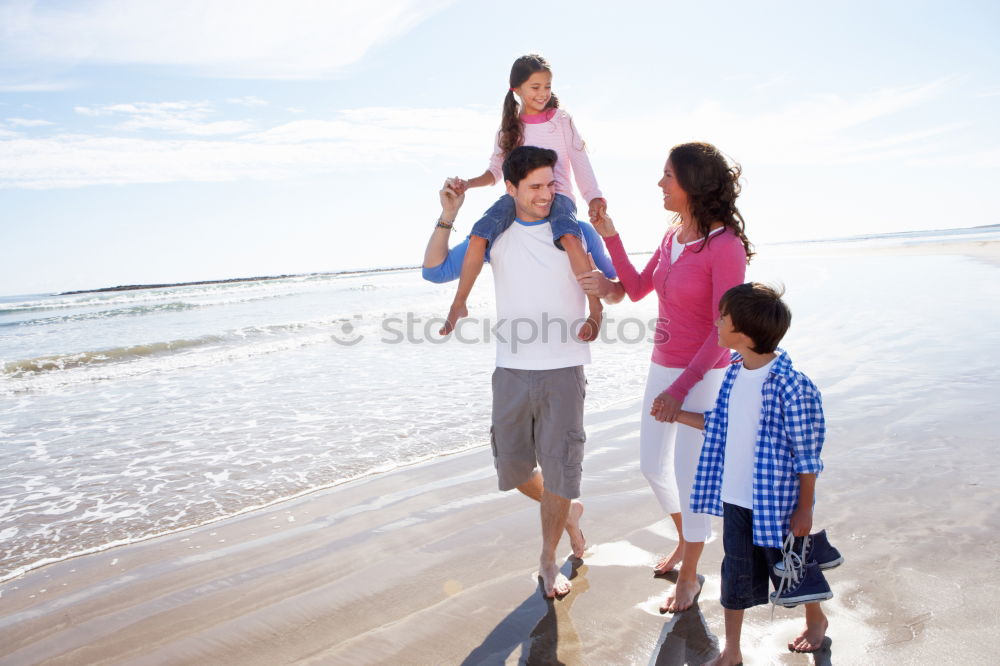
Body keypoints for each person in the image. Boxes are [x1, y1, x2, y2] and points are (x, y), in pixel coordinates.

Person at [425, 145, 622, 598]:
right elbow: (433, 270)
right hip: (511, 370)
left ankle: (548, 559)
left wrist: (602, 294)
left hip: (564, 368)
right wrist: (449, 214)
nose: (546, 195)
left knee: (559, 471)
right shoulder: (495, 235)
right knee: (513, 471)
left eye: (551, 184)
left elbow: (617, 290)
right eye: (534, 187)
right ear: (509, 188)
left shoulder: (574, 230)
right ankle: (569, 512)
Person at [584, 142, 753, 613]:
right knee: (650, 466)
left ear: (693, 184)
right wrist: (609, 236)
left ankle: (691, 578)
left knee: (691, 476)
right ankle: (687, 539)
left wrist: (680, 391)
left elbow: (725, 332)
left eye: (668, 176)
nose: (660, 184)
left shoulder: (725, 247)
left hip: (704, 376)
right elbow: (636, 289)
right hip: (663, 364)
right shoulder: (672, 236)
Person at [675, 283, 833, 662]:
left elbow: (807, 456)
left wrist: (805, 508)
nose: (716, 322)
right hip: (735, 498)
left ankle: (816, 620)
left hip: (776, 503)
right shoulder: (732, 374)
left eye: (723, 317)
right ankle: (732, 649)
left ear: (743, 335)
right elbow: (722, 424)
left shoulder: (793, 387)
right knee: (735, 573)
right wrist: (677, 414)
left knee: (791, 568)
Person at [438, 54, 608, 342]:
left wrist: (593, 197)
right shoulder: (509, 129)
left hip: (558, 194)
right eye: (535, 87)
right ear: (516, 89)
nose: (542, 93)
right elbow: (495, 171)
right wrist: (468, 183)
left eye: (547, 86)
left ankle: (594, 308)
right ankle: (459, 302)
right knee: (479, 235)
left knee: (569, 237)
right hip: (517, 198)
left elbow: (579, 161)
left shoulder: (562, 121)